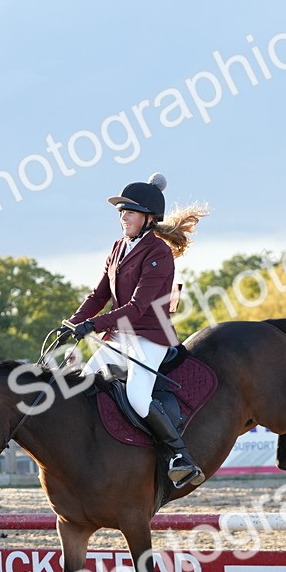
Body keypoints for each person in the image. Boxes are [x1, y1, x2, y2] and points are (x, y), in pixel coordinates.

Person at [66, 172, 208, 487]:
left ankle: (179, 456)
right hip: (119, 337)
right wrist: (73, 323)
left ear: (147, 218)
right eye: (121, 212)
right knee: (83, 385)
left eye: (129, 212)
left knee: (138, 395)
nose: (123, 217)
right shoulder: (118, 248)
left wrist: (93, 325)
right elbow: (99, 296)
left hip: (149, 336)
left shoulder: (158, 252)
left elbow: (137, 307)